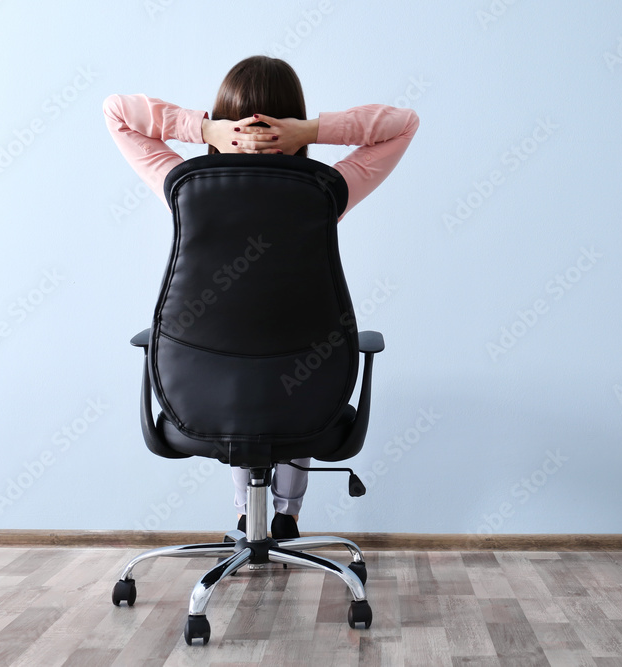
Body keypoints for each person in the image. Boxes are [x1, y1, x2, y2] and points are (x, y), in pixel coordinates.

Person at [103, 55, 419, 538]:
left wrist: (203, 132)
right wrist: (309, 132)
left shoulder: (185, 188)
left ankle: (244, 514)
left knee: (240, 367)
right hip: (309, 402)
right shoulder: (324, 193)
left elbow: (117, 112)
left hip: (200, 403)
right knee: (292, 371)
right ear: (294, 116)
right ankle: (286, 514)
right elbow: (402, 125)